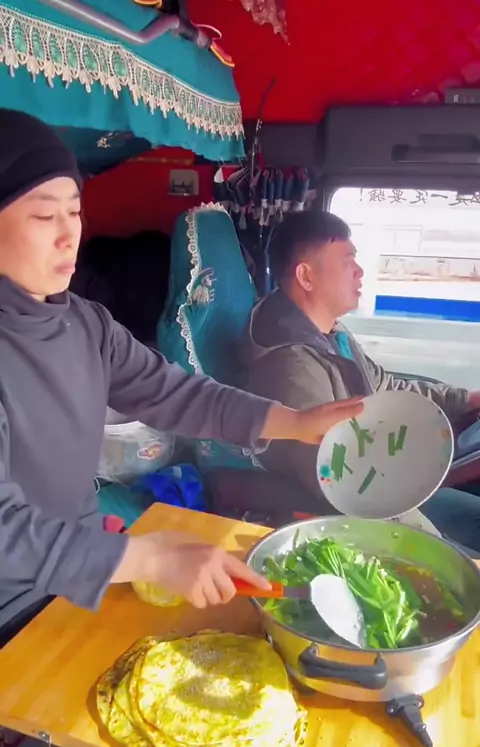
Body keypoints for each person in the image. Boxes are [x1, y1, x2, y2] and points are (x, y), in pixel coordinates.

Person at [0, 109, 364, 643]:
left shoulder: (87, 324)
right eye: (43, 216)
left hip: (80, 574)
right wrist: (149, 558)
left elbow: (175, 394)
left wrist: (293, 422)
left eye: (74, 211)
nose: (68, 235)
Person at [241, 209, 480, 552]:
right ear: (306, 276)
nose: (360, 271)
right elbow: (338, 480)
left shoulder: (331, 333)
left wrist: (464, 399)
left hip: (385, 478)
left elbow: (384, 386)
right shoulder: (289, 363)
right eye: (347, 261)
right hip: (364, 508)